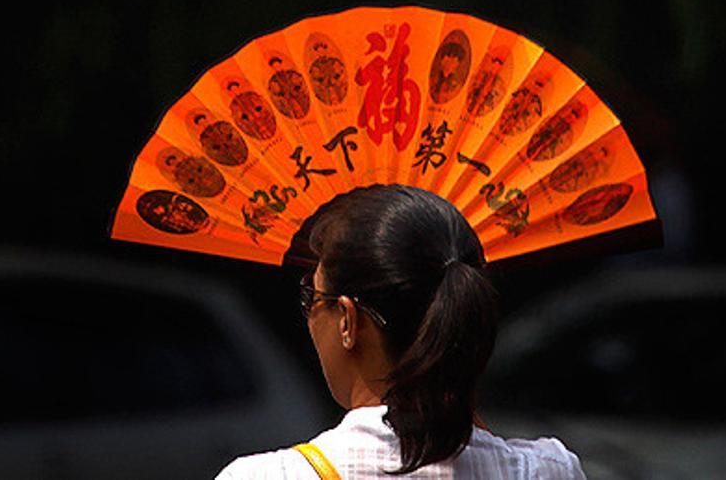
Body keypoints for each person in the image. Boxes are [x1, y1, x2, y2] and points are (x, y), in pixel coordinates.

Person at [216, 184, 587, 479]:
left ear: (347, 319)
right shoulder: (548, 470)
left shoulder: (269, 476)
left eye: (312, 294)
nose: (310, 314)